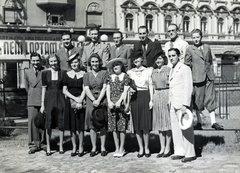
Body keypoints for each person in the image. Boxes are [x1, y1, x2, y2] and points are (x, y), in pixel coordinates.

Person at [185, 29, 224, 130]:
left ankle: (214, 122)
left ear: (201, 37)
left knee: (211, 99)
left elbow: (209, 61)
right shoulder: (190, 49)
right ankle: (199, 122)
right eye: (193, 37)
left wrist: (210, 72)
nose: (196, 39)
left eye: (197, 37)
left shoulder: (207, 47)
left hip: (208, 77)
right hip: (197, 79)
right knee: (198, 101)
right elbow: (187, 65)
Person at [168, 48, 196, 163]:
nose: (171, 58)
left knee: (186, 128)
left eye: (173, 55)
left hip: (182, 104)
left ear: (179, 56)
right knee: (176, 129)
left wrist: (185, 104)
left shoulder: (185, 69)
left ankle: (190, 153)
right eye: (169, 56)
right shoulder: (172, 70)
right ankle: (179, 151)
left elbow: (188, 87)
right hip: (173, 103)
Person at [127, 50, 153, 158]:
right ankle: (140, 148)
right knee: (137, 124)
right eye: (134, 59)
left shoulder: (148, 71)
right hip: (134, 97)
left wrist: (151, 100)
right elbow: (127, 86)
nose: (136, 60)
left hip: (145, 95)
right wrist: (129, 91)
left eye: (138, 58)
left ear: (142, 59)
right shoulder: (130, 72)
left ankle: (147, 147)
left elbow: (151, 85)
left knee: (145, 124)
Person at [40, 54, 66, 156]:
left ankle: (61, 146)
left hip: (60, 98)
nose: (53, 63)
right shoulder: (45, 73)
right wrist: (42, 104)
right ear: (48, 62)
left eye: (55, 61)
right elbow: (43, 88)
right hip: (49, 99)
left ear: (58, 61)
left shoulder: (63, 72)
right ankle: (49, 147)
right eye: (51, 61)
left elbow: (65, 88)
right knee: (48, 123)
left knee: (61, 121)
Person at [83, 53, 108, 157]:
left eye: (96, 61)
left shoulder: (104, 73)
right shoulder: (86, 75)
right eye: (93, 62)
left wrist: (99, 100)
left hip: (102, 99)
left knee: (102, 123)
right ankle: (94, 147)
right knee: (92, 124)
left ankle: (103, 147)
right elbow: (86, 88)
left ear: (100, 62)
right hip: (90, 100)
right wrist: (94, 100)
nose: (95, 64)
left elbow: (105, 87)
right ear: (90, 63)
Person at [62, 53, 86, 157]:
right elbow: (64, 90)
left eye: (75, 62)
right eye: (72, 63)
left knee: (80, 126)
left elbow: (85, 88)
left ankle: (81, 146)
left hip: (81, 101)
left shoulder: (84, 73)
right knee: (72, 126)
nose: (74, 64)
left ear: (79, 62)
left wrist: (80, 99)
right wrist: (74, 98)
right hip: (71, 101)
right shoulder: (67, 74)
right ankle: (74, 147)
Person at [106, 58, 130, 157]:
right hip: (111, 103)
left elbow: (125, 91)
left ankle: (122, 148)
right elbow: (107, 90)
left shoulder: (125, 76)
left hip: (121, 103)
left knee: (121, 126)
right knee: (113, 127)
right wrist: (109, 102)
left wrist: (120, 101)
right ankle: (116, 147)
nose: (116, 67)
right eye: (114, 66)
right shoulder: (110, 77)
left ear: (121, 66)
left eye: (118, 65)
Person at [151, 50, 172, 158]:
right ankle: (162, 147)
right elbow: (152, 85)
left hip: (166, 94)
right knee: (159, 123)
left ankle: (168, 147)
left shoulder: (169, 70)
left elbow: (172, 84)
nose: (158, 61)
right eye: (156, 59)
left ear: (164, 59)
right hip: (157, 95)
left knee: (167, 122)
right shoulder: (153, 71)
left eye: (160, 58)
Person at [24, 52, 45, 154]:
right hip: (32, 99)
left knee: (42, 121)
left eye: (37, 60)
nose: (36, 62)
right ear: (30, 61)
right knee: (32, 122)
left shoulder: (45, 71)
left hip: (42, 99)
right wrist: (31, 94)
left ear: (40, 60)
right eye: (33, 60)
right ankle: (33, 144)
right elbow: (27, 87)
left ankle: (43, 143)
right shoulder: (27, 72)